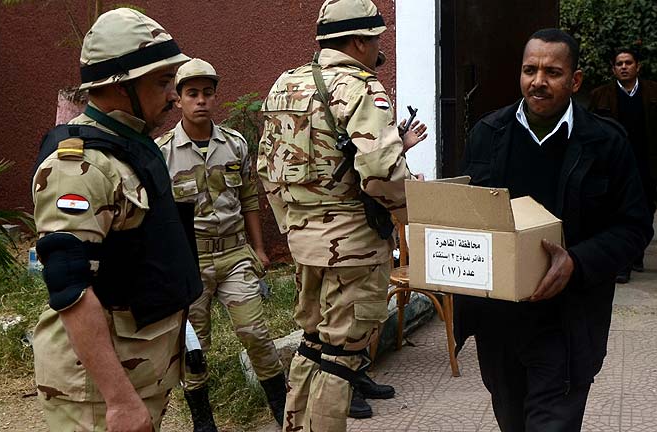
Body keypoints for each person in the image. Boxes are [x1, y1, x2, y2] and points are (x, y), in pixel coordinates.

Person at [455, 29, 653, 432]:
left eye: (552, 72)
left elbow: (634, 227)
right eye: (530, 70)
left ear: (575, 80)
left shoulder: (605, 143)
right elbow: (466, 219)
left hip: (568, 324)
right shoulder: (487, 134)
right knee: (512, 421)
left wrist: (576, 262)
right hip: (499, 325)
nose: (538, 81)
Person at [257, 0, 427, 429]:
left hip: (304, 243)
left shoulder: (284, 85)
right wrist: (410, 212)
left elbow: (266, 168)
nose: (378, 49)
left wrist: (293, 225)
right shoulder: (361, 87)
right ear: (359, 42)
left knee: (312, 343)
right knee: (342, 356)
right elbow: (382, 173)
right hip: (354, 247)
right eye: (375, 40)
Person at [31, 9, 202, 431]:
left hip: (140, 368)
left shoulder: (131, 146)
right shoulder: (79, 168)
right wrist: (120, 400)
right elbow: (70, 287)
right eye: (162, 83)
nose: (174, 96)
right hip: (95, 392)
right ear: (118, 85)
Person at [157, 58, 287, 430]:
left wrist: (259, 249)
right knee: (194, 347)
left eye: (207, 93)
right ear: (178, 99)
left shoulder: (234, 144)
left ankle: (282, 407)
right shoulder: (163, 151)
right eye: (192, 93)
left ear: (215, 97)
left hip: (234, 255)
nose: (201, 100)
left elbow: (249, 198)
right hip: (191, 261)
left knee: (255, 332)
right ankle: (203, 419)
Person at [588, 48, 657, 283]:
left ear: (637, 66)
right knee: (618, 212)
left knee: (645, 211)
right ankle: (623, 263)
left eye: (628, 63)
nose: (624, 67)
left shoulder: (655, 92)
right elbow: (589, 131)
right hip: (614, 166)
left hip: (646, 164)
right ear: (613, 69)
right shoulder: (601, 95)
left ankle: (637, 252)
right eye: (619, 63)